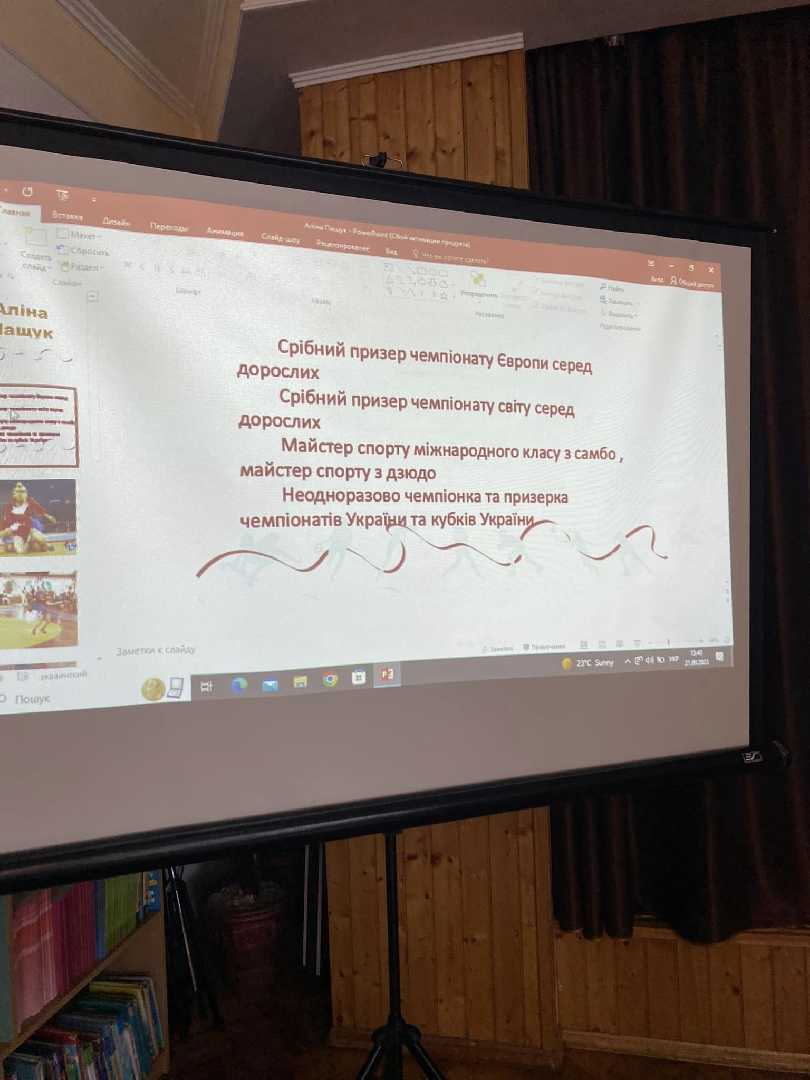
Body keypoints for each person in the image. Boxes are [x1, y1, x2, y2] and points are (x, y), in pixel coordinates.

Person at [0, 482, 57, 554]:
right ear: (14, 495)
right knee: (21, 551)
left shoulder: (30, 501)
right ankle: (29, 544)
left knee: (42, 540)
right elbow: (4, 522)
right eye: (19, 492)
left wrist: (49, 516)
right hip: (17, 534)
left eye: (23, 492)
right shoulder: (9, 506)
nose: (21, 494)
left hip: (30, 531)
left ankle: (45, 545)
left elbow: (39, 509)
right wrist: (5, 531)